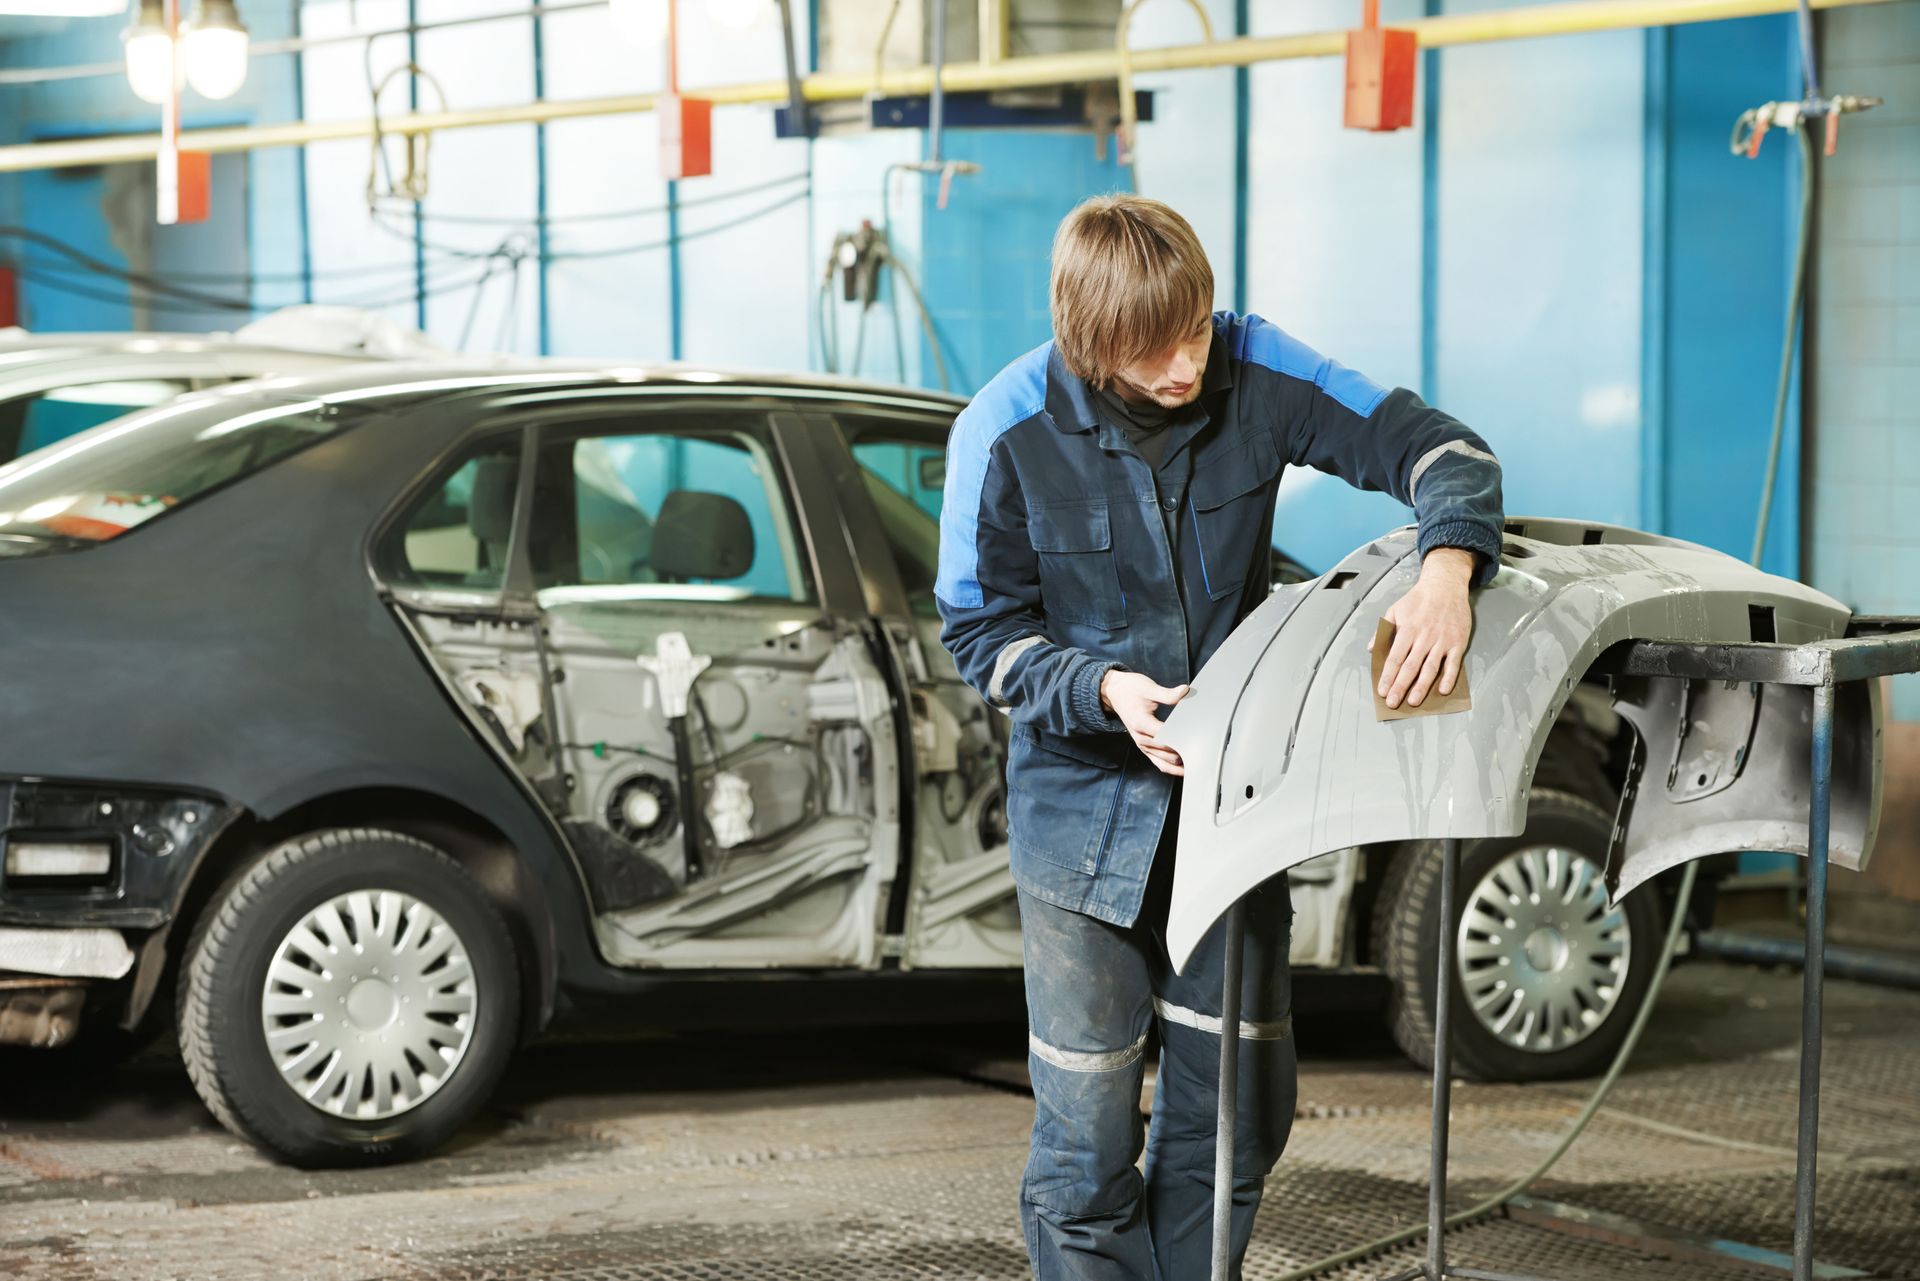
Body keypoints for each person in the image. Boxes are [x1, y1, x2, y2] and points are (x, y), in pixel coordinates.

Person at [934, 195, 1504, 1279]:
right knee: (1086, 1148)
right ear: (1089, 341)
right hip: (1079, 832)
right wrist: (1101, 689)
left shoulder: (1253, 363)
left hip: (1231, 814)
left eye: (1194, 329)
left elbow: (1436, 447)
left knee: (1239, 1112)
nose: (1187, 365)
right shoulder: (1001, 431)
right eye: (1154, 350)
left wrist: (1447, 568)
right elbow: (979, 632)